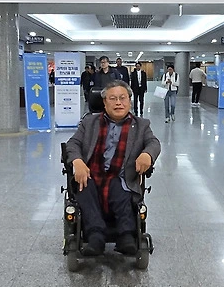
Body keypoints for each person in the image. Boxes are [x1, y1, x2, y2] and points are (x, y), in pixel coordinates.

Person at [65, 81, 161, 256]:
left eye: (122, 98)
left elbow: (153, 143)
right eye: (113, 98)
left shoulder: (141, 125)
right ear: (104, 102)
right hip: (92, 174)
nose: (118, 103)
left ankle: (126, 236)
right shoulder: (89, 122)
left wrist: (147, 154)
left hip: (122, 176)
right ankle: (95, 236)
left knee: (120, 188)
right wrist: (77, 161)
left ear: (129, 101)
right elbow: (73, 143)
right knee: (84, 186)